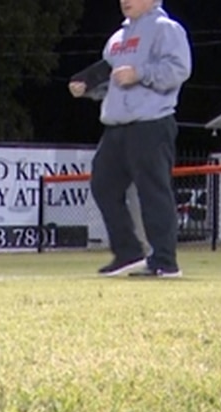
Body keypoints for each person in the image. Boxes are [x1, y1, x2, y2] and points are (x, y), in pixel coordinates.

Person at [69, 0, 192, 277]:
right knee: (103, 185)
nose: (125, 0)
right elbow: (113, 83)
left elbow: (179, 70)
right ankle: (128, 253)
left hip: (151, 122)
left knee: (153, 192)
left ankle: (165, 262)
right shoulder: (117, 38)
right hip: (116, 126)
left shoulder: (166, 29)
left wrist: (140, 73)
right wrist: (88, 87)